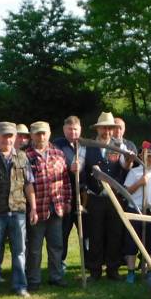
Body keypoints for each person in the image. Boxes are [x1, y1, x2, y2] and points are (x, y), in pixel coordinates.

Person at [0, 122, 38, 299]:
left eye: (11, 136)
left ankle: (20, 286)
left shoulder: (22, 157)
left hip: (18, 211)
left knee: (19, 252)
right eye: (4, 135)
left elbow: (29, 184)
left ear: (15, 137)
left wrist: (33, 208)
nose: (7, 139)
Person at [81, 111, 130, 280]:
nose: (107, 131)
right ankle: (95, 270)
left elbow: (125, 166)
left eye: (109, 128)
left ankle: (112, 269)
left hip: (114, 198)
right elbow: (79, 166)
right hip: (94, 197)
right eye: (104, 128)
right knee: (95, 233)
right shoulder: (87, 146)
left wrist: (129, 159)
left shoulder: (119, 146)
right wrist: (76, 166)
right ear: (98, 129)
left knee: (114, 233)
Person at [24, 121, 71, 290]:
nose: (41, 137)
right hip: (37, 209)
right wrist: (31, 208)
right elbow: (25, 184)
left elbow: (65, 180)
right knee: (34, 248)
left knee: (56, 245)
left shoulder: (58, 153)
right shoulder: (25, 156)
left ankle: (56, 276)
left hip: (56, 207)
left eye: (44, 133)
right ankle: (33, 280)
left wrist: (67, 200)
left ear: (49, 133)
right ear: (32, 135)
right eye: (38, 133)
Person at [122, 145, 151, 283]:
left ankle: (148, 270)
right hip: (135, 210)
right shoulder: (134, 172)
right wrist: (139, 182)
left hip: (150, 211)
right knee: (132, 242)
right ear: (142, 156)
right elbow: (126, 192)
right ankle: (131, 271)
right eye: (148, 156)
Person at [53, 115, 85, 274]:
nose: (73, 132)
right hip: (65, 196)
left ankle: (89, 262)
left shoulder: (84, 145)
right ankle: (60, 263)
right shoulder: (57, 145)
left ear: (80, 129)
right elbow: (54, 166)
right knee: (63, 231)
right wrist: (68, 167)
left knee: (85, 231)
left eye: (75, 129)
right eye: (70, 129)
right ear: (64, 130)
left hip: (83, 196)